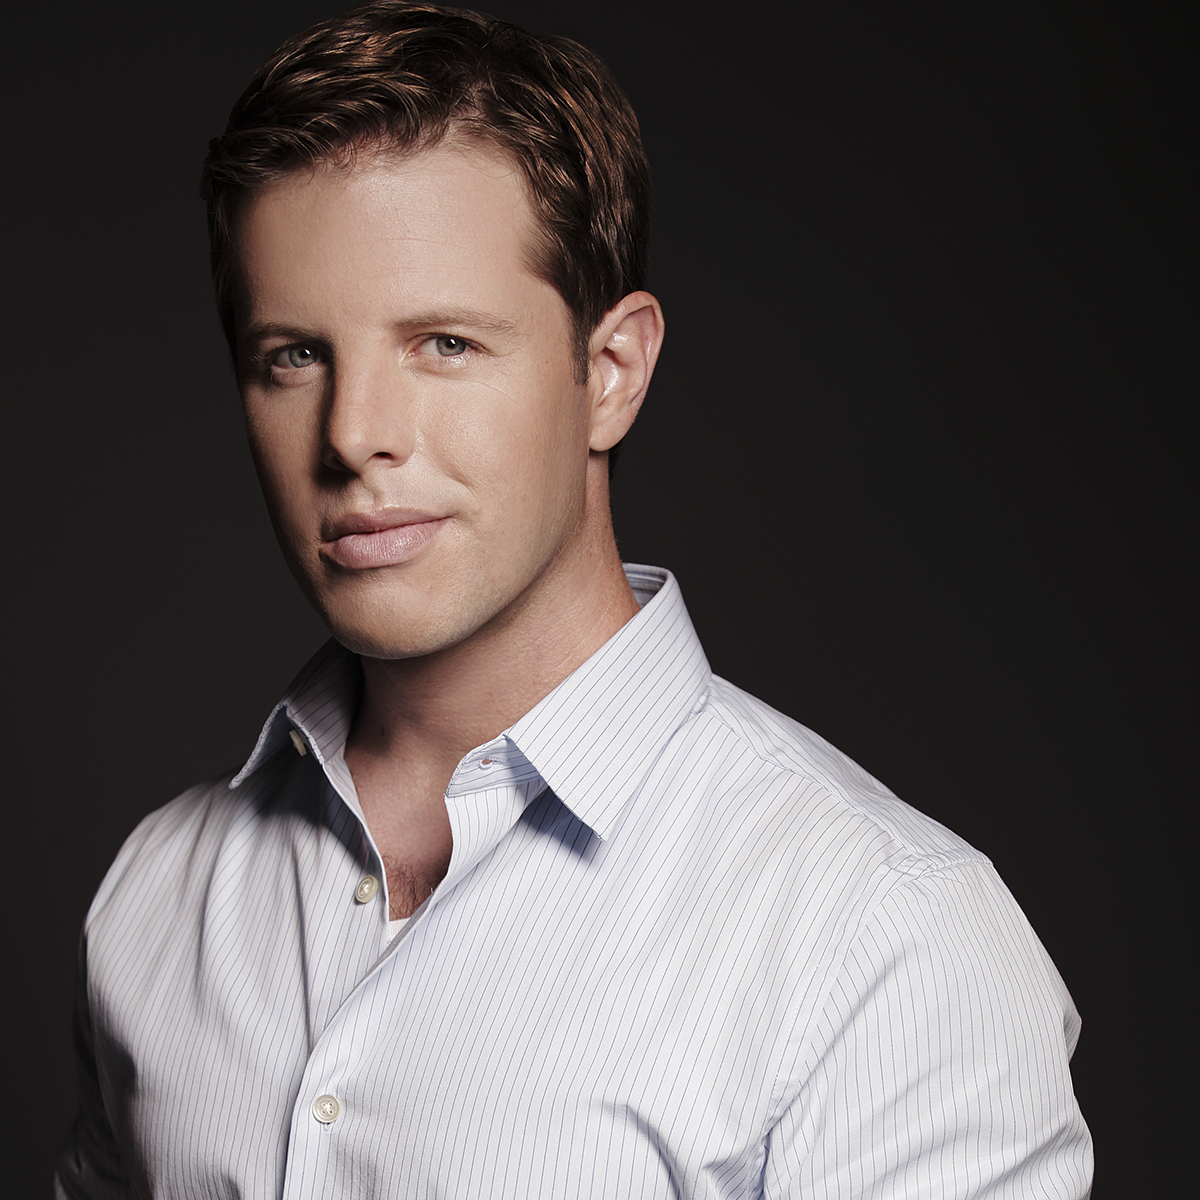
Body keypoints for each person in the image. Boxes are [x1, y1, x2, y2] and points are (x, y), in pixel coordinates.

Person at [56, 3, 1093, 1196]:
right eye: (293, 355)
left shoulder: (882, 941)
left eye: (444, 343)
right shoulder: (156, 895)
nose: (352, 437)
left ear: (611, 375)